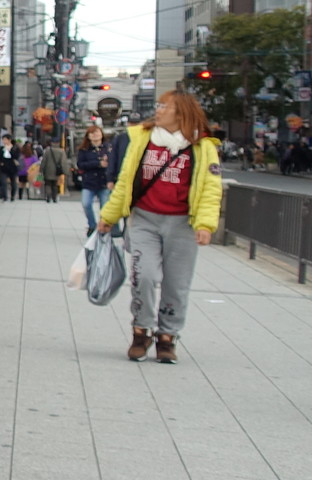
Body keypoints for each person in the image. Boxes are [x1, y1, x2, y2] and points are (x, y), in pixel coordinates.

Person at [96, 90, 224, 364]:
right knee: (144, 275)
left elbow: (211, 190)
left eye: (165, 106)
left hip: (183, 224)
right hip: (145, 220)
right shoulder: (142, 139)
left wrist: (205, 224)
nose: (159, 109)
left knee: (176, 284)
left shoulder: (203, 147)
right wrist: (109, 216)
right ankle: (141, 331)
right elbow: (125, 182)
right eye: (160, 104)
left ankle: (168, 337)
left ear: (181, 114)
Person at [75, 125, 112, 231]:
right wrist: (98, 163)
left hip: (104, 181)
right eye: (92, 133)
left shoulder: (108, 148)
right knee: (86, 204)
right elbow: (80, 164)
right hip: (89, 181)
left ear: (102, 134)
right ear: (88, 136)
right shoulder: (84, 150)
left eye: (97, 132)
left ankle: (102, 227)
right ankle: (92, 225)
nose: (95, 135)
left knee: (104, 208)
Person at [41, 139, 70, 205]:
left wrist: (41, 170)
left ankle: (48, 196)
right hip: (57, 171)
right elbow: (63, 162)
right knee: (55, 185)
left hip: (47, 170)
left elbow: (44, 161)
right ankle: (54, 198)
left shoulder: (47, 151)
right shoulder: (61, 151)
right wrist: (65, 172)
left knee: (48, 184)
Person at [0, 135, 21, 201]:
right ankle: (5, 196)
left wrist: (9, 150)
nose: (4, 141)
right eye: (3, 140)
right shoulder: (1, 148)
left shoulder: (15, 148)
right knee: (3, 182)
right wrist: (1, 162)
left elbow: (16, 156)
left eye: (5, 139)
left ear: (9, 140)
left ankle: (12, 196)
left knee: (13, 183)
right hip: (4, 168)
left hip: (12, 167)